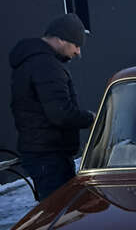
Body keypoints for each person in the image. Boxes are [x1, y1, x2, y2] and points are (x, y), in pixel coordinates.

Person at [10, 13, 95, 200]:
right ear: (59, 39)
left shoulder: (34, 61)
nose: (78, 52)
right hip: (49, 156)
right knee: (59, 213)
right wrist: (91, 119)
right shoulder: (45, 65)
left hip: (44, 152)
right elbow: (60, 113)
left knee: (58, 210)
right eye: (76, 45)